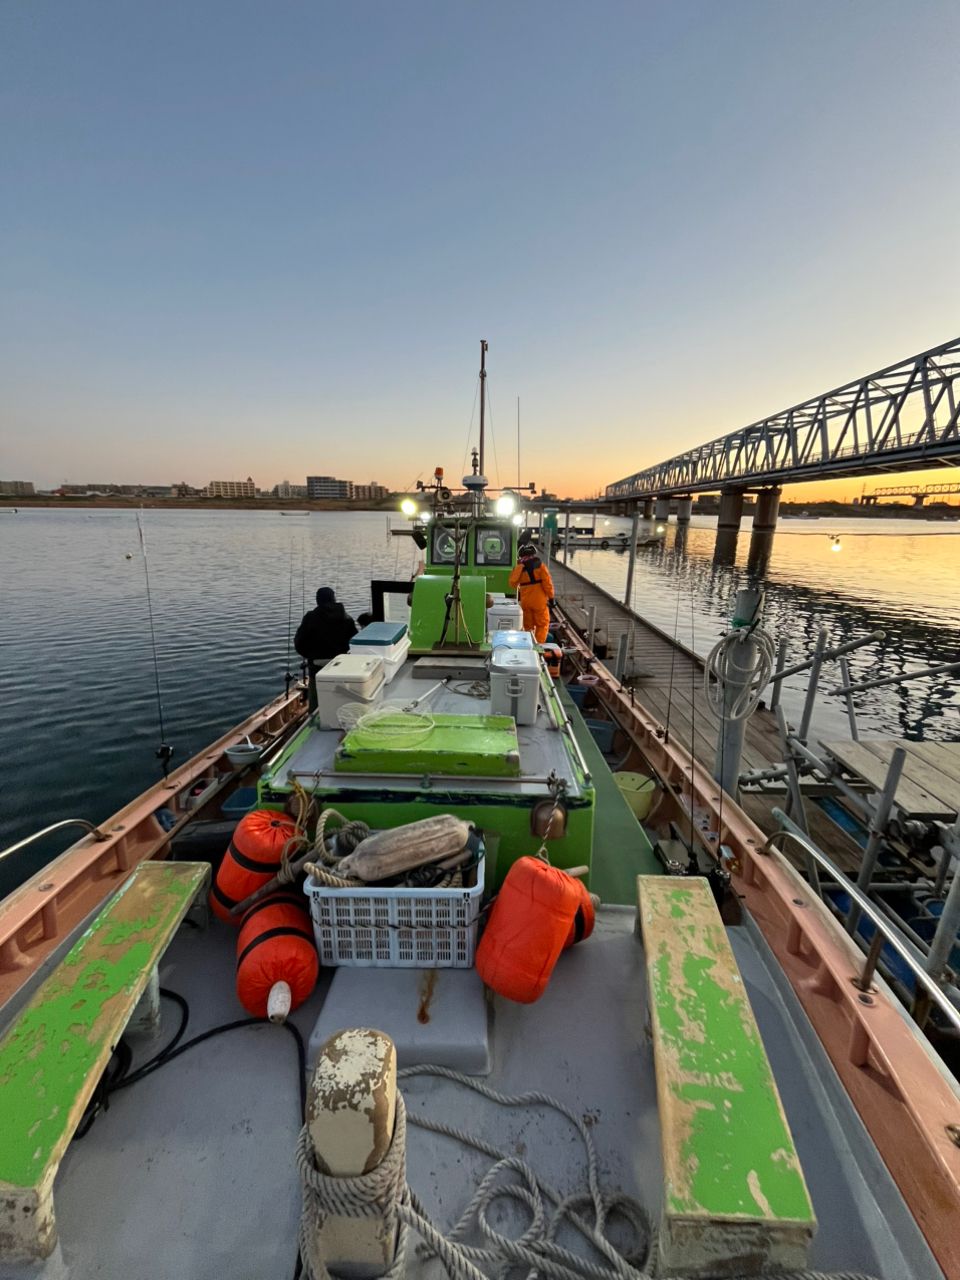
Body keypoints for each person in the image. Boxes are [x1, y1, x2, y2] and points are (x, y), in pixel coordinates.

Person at [295, 587, 358, 709]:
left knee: (316, 700)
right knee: (341, 696)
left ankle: (314, 718)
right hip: (341, 664)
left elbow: (299, 643)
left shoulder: (310, 617)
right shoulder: (346, 617)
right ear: (333, 599)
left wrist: (309, 655)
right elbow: (354, 641)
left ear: (318, 600)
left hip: (316, 666)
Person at [508, 543, 555, 644]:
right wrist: (551, 598)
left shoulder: (519, 567)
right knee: (542, 624)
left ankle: (529, 644)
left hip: (525, 602)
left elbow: (512, 583)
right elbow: (547, 584)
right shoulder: (540, 566)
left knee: (528, 626)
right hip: (539, 601)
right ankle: (538, 646)